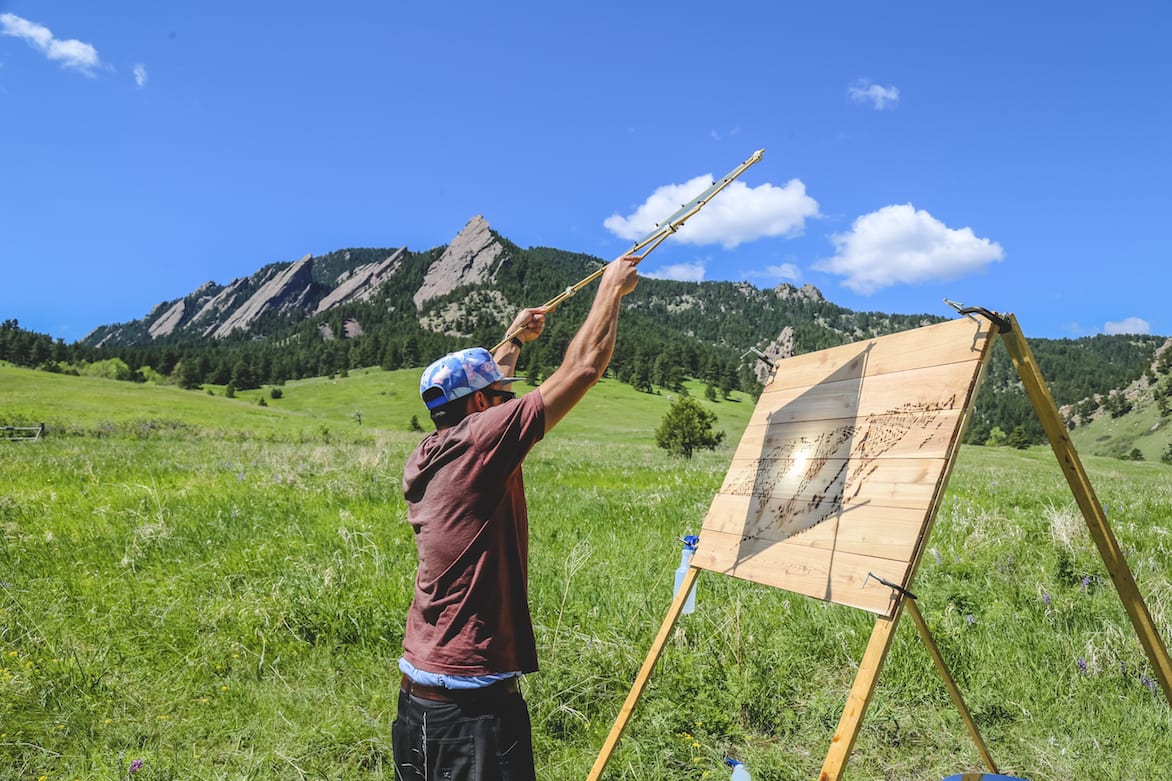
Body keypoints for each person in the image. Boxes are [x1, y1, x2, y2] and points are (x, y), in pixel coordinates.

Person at [392, 255, 640, 781]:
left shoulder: (432, 450)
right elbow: (583, 369)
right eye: (503, 397)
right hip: (470, 710)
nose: (511, 402)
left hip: (419, 701)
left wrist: (513, 340)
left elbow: (483, 395)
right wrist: (611, 291)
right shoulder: (484, 442)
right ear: (483, 405)